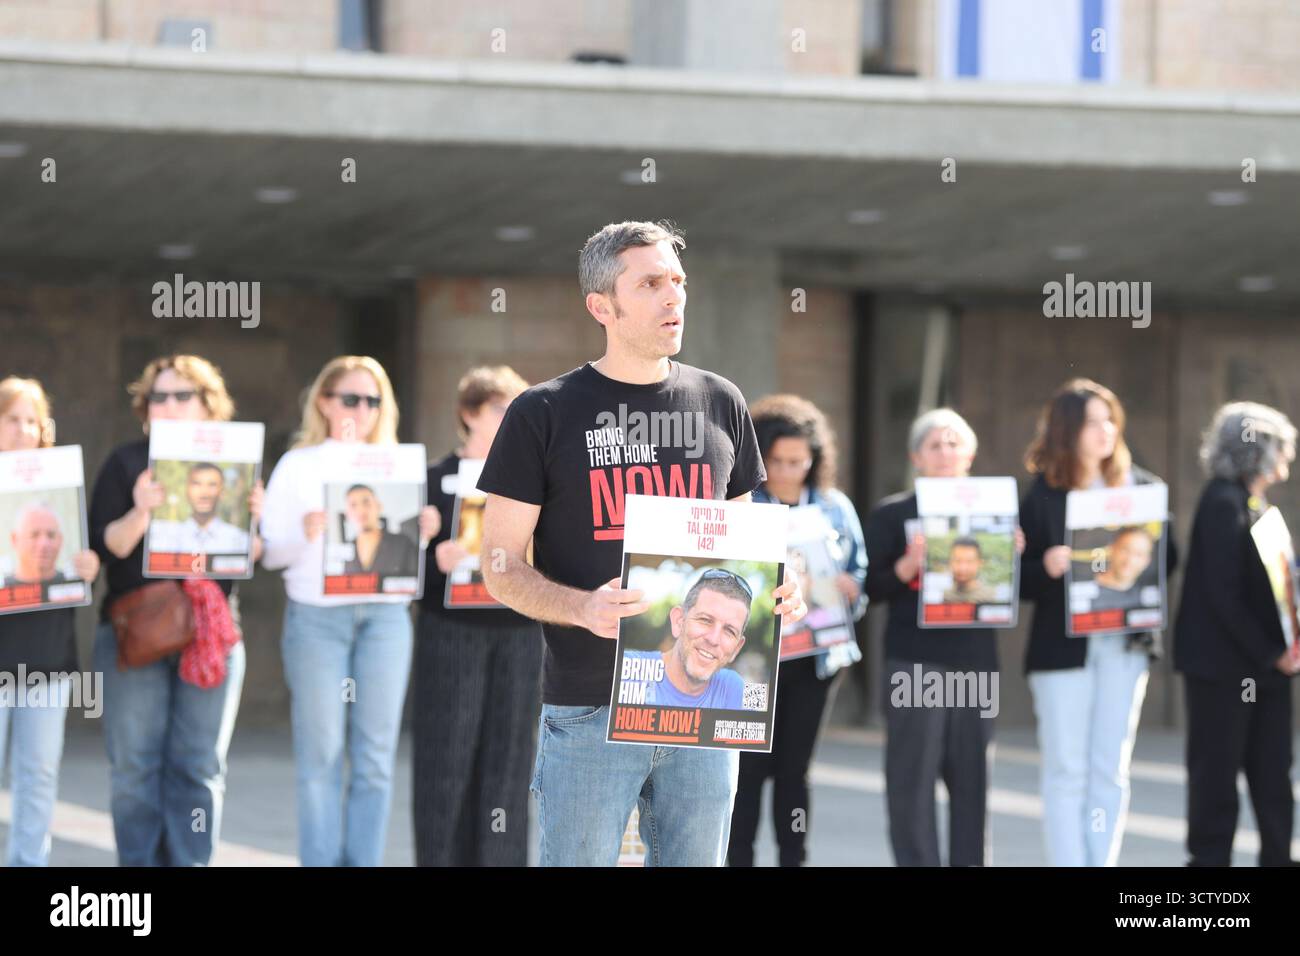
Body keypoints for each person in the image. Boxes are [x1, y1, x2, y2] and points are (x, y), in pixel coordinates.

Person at [477, 220, 805, 867]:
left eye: (677, 281)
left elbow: (742, 544)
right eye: (651, 283)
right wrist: (579, 608)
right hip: (589, 707)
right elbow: (499, 565)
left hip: (705, 715)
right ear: (602, 305)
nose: (672, 297)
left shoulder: (720, 402)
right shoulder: (542, 413)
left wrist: (781, 582)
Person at [260, 355, 438, 867]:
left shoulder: (398, 464)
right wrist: (304, 533)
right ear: (324, 401)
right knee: (320, 757)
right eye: (350, 398)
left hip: (384, 620)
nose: (361, 409)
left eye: (373, 400)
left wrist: (420, 535)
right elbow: (271, 553)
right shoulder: (299, 464)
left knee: (376, 760)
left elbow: (403, 566)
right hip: (318, 620)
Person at [89, 355, 260, 866]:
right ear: (145, 409)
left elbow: (251, 556)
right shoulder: (124, 463)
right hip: (135, 635)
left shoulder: (235, 466)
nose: (168, 405)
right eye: (158, 397)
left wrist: (255, 523)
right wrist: (141, 509)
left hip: (212, 633)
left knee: (199, 766)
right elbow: (107, 548)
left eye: (181, 396)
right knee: (135, 769)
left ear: (208, 406)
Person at [1020, 378, 1178, 867]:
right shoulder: (1045, 494)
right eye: (1092, 421)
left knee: (1110, 769)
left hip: (1125, 646)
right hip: (1063, 650)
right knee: (1067, 768)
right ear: (1068, 430)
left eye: (1111, 418)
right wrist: (1046, 565)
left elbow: (1169, 559)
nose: (1106, 430)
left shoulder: (1144, 488)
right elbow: (1016, 581)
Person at [865, 408, 1014, 867]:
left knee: (972, 778)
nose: (945, 451)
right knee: (912, 778)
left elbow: (1014, 589)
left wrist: (1015, 557)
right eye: (934, 444)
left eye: (954, 443)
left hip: (975, 660)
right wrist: (908, 567)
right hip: (914, 660)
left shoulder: (996, 511)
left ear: (970, 454)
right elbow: (868, 587)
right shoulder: (893, 513)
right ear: (916, 457)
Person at [727, 393, 867, 867]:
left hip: (816, 660)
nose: (788, 471)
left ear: (815, 459)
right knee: (746, 770)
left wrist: (852, 588)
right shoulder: (744, 504)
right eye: (777, 461)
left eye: (798, 461)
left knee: (795, 771)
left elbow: (859, 575)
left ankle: (794, 859)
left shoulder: (834, 507)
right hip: (752, 662)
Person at [413, 365, 543, 867]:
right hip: (452, 631)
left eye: (516, 407)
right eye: (498, 407)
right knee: (446, 756)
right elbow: (398, 573)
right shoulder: (433, 479)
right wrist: (431, 557)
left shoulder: (533, 480)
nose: (509, 417)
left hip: (519, 629)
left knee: (510, 760)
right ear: (468, 413)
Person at [1175, 401, 1298, 866]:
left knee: (1273, 778)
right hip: (1224, 672)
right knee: (1216, 781)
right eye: (1279, 448)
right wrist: (1272, 654)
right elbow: (1223, 595)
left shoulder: (1258, 505)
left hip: (1266, 670)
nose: (1286, 458)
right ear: (1254, 451)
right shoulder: (1220, 501)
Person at [0, 377, 99, 866]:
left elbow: (77, 578)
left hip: (47, 658)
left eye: (32, 420)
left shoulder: (63, 485)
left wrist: (89, 570)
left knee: (38, 774)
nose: (23, 430)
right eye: (12, 418)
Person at [622, 568, 752, 710]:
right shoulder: (625, 669)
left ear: (737, 648)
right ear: (679, 621)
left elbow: (768, 726)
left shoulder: (737, 686)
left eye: (729, 631)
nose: (713, 639)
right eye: (705, 620)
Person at [147, 462, 250, 556]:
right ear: (187, 491)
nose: (204, 493)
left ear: (222, 492)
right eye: (196, 484)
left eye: (212, 485)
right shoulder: (163, 537)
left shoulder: (240, 540)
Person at [340, 484, 417, 577]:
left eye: (366, 503)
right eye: (353, 505)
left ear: (379, 506)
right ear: (347, 514)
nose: (360, 510)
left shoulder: (403, 543)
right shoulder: (344, 550)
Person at [1090, 527, 1156, 613]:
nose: (1130, 560)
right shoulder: (1084, 590)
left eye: (1139, 554)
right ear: (1112, 549)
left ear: (1147, 561)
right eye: (1125, 550)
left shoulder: (1149, 598)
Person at [5, 502, 72, 586]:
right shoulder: (3, 590)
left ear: (60, 540)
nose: (44, 544)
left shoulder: (74, 585)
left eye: (51, 535)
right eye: (34, 535)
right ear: (14, 539)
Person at [941, 538, 998, 604]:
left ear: (980, 563)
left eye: (969, 561)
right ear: (950, 562)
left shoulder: (990, 597)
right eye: (957, 561)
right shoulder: (945, 596)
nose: (963, 568)